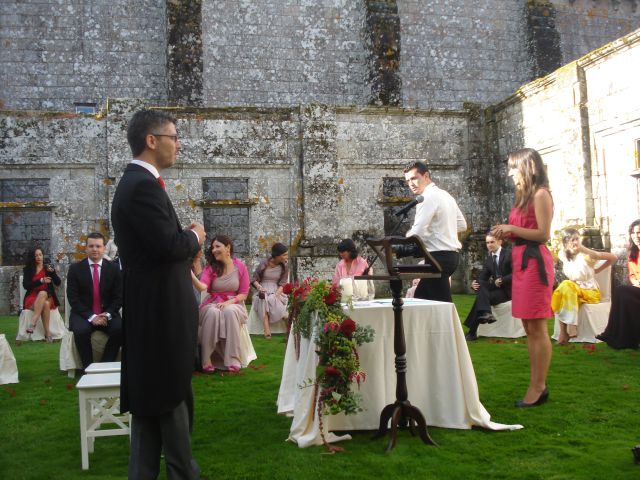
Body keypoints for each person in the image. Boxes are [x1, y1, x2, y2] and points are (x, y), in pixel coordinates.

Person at [111, 109, 205, 479]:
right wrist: (196, 235)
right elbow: (169, 246)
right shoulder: (141, 186)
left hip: (155, 312)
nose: (178, 144)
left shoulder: (140, 183)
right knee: (171, 398)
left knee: (153, 407)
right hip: (160, 316)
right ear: (152, 140)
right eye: (173, 137)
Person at [492, 147, 554, 408]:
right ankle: (536, 383)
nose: (509, 173)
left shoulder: (541, 195)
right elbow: (524, 230)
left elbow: (543, 234)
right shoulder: (523, 198)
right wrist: (506, 233)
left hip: (534, 262)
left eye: (513, 167)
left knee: (537, 328)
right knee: (528, 327)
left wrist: (512, 228)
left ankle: (538, 386)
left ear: (529, 168)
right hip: (520, 261)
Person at [403, 161, 467, 302]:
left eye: (414, 178)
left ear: (426, 176)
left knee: (428, 304)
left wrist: (403, 241)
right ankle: (446, 324)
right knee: (431, 301)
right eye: (408, 180)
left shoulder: (426, 197)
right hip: (451, 257)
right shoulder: (446, 195)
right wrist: (441, 230)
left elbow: (417, 232)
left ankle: (447, 324)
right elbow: (462, 225)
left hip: (438, 258)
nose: (411, 184)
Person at [192, 235, 249, 373]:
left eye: (218, 246)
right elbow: (203, 287)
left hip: (234, 303)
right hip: (213, 303)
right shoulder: (211, 268)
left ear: (228, 247)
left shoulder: (240, 266)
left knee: (230, 311)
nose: (214, 250)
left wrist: (229, 302)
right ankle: (206, 359)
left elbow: (243, 293)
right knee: (212, 312)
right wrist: (190, 274)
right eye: (212, 247)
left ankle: (233, 359)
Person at [66, 232, 123, 371]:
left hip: (107, 313)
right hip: (83, 314)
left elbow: (119, 297)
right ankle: (88, 369)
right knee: (80, 331)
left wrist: (107, 314)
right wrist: (92, 317)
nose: (94, 249)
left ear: (104, 248)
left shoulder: (114, 269)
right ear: (86, 248)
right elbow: (73, 298)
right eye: (91, 246)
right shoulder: (75, 269)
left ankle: (105, 366)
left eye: (98, 246)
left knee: (120, 329)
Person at [551, 228, 617, 345]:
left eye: (577, 239)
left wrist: (597, 269)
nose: (575, 242)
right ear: (565, 242)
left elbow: (613, 258)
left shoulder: (588, 255)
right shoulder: (563, 254)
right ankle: (566, 331)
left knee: (564, 286)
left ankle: (567, 330)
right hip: (572, 291)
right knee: (565, 288)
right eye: (572, 240)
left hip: (591, 292)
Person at [596, 219, 640, 349]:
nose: (636, 236)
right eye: (634, 232)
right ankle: (621, 338)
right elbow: (632, 276)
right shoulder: (633, 254)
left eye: (639, 232)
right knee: (622, 295)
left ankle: (610, 333)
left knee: (621, 291)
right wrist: (636, 282)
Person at [464, 233, 513, 341]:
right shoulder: (490, 258)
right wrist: (475, 283)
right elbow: (483, 276)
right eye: (487, 242)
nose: (489, 245)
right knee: (481, 285)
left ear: (500, 242)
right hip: (496, 288)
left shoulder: (509, 254)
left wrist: (503, 280)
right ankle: (486, 314)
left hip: (508, 291)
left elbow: (517, 273)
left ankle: (472, 331)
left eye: (492, 242)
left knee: (480, 299)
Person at [22, 246, 61, 342]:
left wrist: (54, 273)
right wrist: (41, 280)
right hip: (32, 297)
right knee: (45, 304)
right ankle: (48, 333)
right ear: (33, 257)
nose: (39, 257)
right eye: (36, 255)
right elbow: (26, 285)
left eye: (40, 255)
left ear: (43, 255)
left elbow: (58, 283)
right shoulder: (28, 269)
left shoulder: (48, 268)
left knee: (43, 293)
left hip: (47, 296)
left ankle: (32, 322)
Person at [251, 242, 289, 338]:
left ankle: (287, 322)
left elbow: (283, 283)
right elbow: (254, 279)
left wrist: (276, 294)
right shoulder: (263, 264)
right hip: (263, 288)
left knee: (271, 299)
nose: (286, 257)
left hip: (277, 289)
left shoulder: (285, 266)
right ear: (277, 255)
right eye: (284, 255)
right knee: (263, 298)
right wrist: (259, 287)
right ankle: (266, 328)